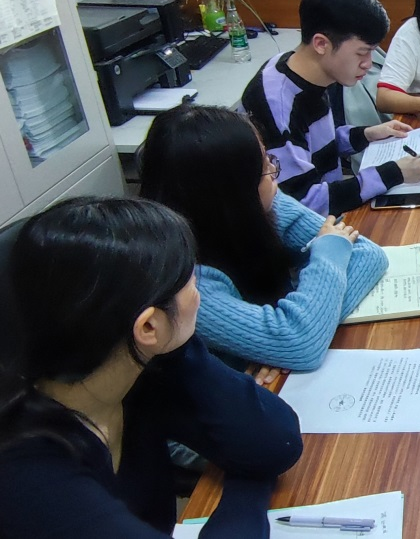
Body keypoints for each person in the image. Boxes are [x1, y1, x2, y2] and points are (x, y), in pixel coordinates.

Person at [0, 197, 303, 537]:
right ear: (147, 325)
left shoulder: (129, 374)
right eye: (190, 279)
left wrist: (174, 346)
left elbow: (275, 443)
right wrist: (249, 482)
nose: (198, 294)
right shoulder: (29, 474)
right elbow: (262, 457)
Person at [140, 105, 389, 376]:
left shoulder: (263, 205)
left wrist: (300, 333)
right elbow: (300, 343)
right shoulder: (187, 284)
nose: (273, 170)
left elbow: (368, 254)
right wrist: (327, 257)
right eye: (262, 168)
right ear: (230, 193)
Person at [242, 0, 420, 217]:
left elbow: (313, 143)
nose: (368, 64)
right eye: (361, 53)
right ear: (321, 44)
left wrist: (364, 134)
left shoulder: (302, 70)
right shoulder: (278, 105)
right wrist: (394, 173)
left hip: (330, 211)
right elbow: (304, 203)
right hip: (311, 224)